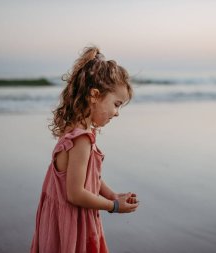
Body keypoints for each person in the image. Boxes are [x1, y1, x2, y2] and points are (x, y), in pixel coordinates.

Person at [30, 46, 140, 253]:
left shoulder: (74, 130)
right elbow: (75, 193)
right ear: (95, 96)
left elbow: (91, 177)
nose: (117, 113)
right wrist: (114, 207)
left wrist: (113, 195)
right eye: (116, 104)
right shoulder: (82, 140)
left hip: (61, 219)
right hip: (73, 219)